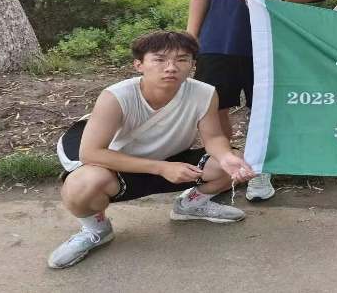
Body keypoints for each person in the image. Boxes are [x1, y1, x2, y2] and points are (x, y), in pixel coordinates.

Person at [48, 30, 256, 269]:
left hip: (166, 157)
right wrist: (161, 168)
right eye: (159, 59)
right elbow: (91, 153)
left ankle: (191, 205)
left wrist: (225, 156)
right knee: (81, 185)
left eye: (182, 59)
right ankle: (96, 230)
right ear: (139, 65)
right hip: (117, 161)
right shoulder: (116, 96)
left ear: (192, 64)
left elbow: (214, 137)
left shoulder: (204, 93)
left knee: (235, 162)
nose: (171, 67)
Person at [187, 0, 325, 202]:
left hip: (269, 44)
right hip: (218, 41)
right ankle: (226, 166)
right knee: (215, 108)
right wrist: (190, 37)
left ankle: (261, 169)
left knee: (264, 109)